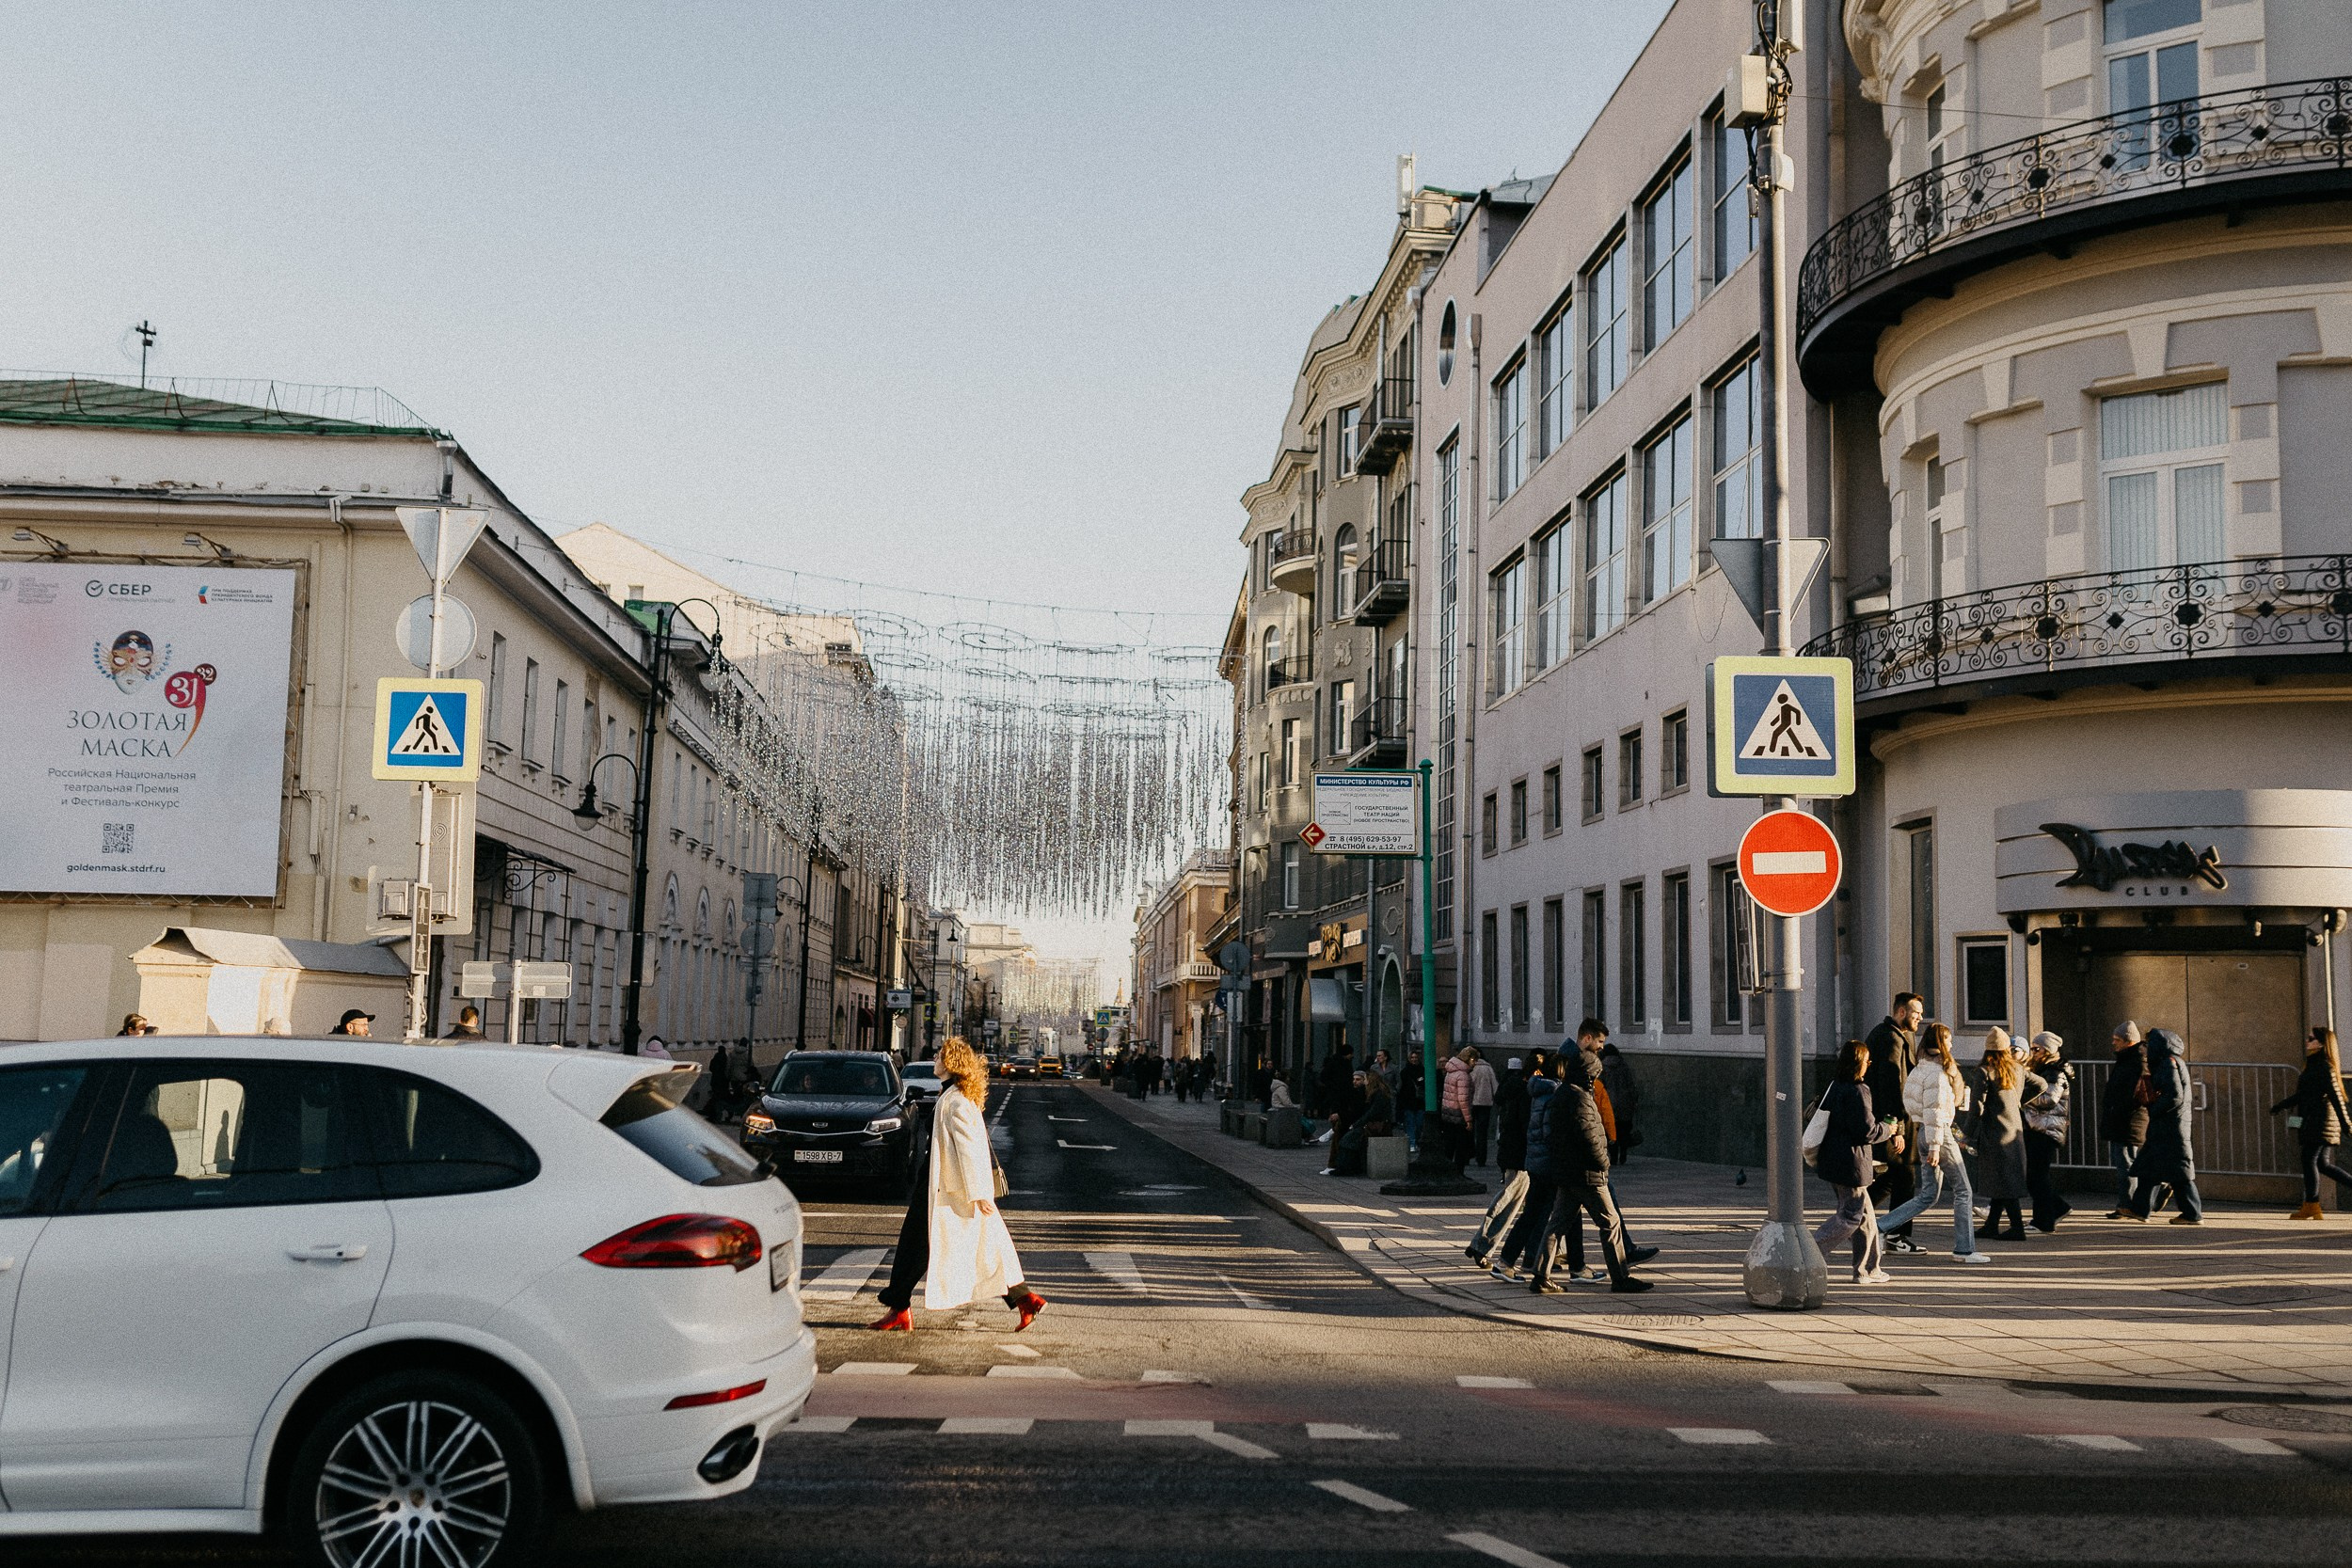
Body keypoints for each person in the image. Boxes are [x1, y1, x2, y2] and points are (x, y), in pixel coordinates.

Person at [867, 1036, 1045, 1333]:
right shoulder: (951, 1096)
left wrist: (980, 1193)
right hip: (937, 1184)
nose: (935, 1059)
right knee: (957, 1247)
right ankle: (1024, 1298)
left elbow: (970, 1149)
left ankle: (898, 1307)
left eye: (940, 1056)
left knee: (924, 1247)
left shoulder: (957, 1101)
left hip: (944, 1188)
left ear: (951, 1063)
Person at [1528, 1047, 1654, 1294]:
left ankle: (1540, 1276)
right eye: (1595, 1075)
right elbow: (1589, 1138)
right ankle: (1620, 1277)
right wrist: (1603, 1162)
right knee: (1611, 1222)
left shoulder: (1563, 1093)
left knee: (1557, 1225)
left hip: (1568, 1172)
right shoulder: (1580, 1098)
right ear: (1588, 1074)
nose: (1596, 1080)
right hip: (1586, 1173)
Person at [1881, 1023, 1984, 1262]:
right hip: (1939, 1134)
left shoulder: (1920, 1068)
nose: (1951, 1043)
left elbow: (1912, 1103)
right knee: (1963, 1191)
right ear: (1940, 1043)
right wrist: (1936, 1146)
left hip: (1924, 1133)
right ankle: (1964, 1250)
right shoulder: (1938, 1074)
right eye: (1948, 1039)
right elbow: (1935, 1111)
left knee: (1928, 1195)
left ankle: (1879, 1226)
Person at [1813, 1037, 1894, 1284]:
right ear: (1858, 1063)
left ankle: (1868, 1269)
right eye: (1867, 1061)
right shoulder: (1859, 1090)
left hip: (1833, 1160)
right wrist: (1888, 1129)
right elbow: (1866, 1132)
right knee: (1851, 1216)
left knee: (1867, 1218)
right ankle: (1810, 1250)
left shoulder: (1835, 1086)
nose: (1869, 1064)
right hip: (1852, 1163)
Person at [1492, 1056, 1563, 1282]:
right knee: (1548, 1214)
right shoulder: (1551, 1095)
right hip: (1545, 1162)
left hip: (1534, 1160)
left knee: (1534, 1213)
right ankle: (1538, 1261)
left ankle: (1510, 1261)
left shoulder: (1535, 1092)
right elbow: (1549, 1133)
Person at [2122, 1028, 2201, 1225]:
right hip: (2168, 1125)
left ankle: (2192, 1213)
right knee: (2150, 1167)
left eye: (2149, 1044)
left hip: (2171, 1126)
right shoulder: (2171, 1062)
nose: (2146, 1048)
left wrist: (2154, 1108)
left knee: (2179, 1171)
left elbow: (2174, 1096)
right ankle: (2140, 1209)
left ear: (2159, 1044)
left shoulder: (2168, 1063)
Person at [1865, 992, 1923, 1252]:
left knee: (1893, 1176)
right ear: (1901, 1012)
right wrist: (1896, 1128)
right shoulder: (1891, 1039)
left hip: (1889, 1120)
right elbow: (1891, 1085)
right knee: (1905, 1178)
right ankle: (1896, 1235)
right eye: (1916, 1013)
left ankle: (1854, 1216)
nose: (1920, 1018)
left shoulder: (1890, 1034)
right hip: (1894, 1122)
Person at [1969, 1028, 2041, 1241]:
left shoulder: (1985, 1072)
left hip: (1994, 1133)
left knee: (2003, 1181)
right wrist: (2018, 1102)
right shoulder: (2017, 1069)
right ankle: (1992, 1225)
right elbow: (2042, 1084)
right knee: (2003, 1179)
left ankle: (2017, 1228)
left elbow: (1976, 1108)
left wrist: (1967, 1134)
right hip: (2014, 1132)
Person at [2275, 1026, 2352, 1219]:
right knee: (2322, 1164)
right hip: (2314, 1119)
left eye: (2311, 1038)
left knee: (2309, 1160)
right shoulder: (2314, 1064)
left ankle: (2311, 1205)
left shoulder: (2324, 1066)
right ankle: (2312, 1206)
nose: (2307, 1041)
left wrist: (2346, 1124)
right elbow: (2304, 1094)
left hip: (2320, 1121)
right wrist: (2282, 1105)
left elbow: (2336, 1096)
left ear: (2321, 1043)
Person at [1467, 1056, 1531, 1269]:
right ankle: (1482, 1243)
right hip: (1521, 1157)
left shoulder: (1509, 1089)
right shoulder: (1524, 1093)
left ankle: (1549, 1254)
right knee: (1511, 1202)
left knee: (1521, 1204)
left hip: (1515, 1154)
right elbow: (1523, 1127)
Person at [2023, 1033, 2074, 1233]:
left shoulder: (2055, 1072)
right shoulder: (2045, 1069)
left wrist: (2022, 1097)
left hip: (2046, 1129)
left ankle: (2043, 1221)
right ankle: (2058, 1208)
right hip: (2039, 1127)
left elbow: (2049, 1099)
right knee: (2035, 1176)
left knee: (2037, 1176)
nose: (2033, 1053)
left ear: (2048, 1050)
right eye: (2032, 1049)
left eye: (2037, 1049)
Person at [2098, 1022, 2150, 1218]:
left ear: (2128, 1041)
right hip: (2123, 1120)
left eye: (2117, 1040)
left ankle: (2128, 1205)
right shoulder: (2129, 1059)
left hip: (2128, 1121)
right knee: (2125, 1163)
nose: (2113, 1043)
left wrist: (2117, 1109)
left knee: (2126, 1164)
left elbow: (2133, 1095)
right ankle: (2126, 1204)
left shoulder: (2136, 1061)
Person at [1596, 1039, 1641, 1165]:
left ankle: (1614, 1156)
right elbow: (1631, 1085)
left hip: (1610, 1103)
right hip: (1625, 1103)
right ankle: (1623, 1152)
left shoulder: (1602, 1068)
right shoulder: (1624, 1066)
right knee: (1624, 1130)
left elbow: (1600, 1086)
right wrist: (1633, 1101)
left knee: (1611, 1130)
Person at [1440, 1047, 1475, 1173]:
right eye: (1474, 1060)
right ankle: (1458, 1172)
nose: (1475, 1063)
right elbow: (1463, 1099)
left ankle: (1447, 1171)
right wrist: (1468, 1119)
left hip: (1448, 1112)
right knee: (1461, 1146)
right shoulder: (1463, 1075)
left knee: (1449, 1145)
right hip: (1459, 1115)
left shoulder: (1451, 1071)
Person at [1469, 1048, 1498, 1167]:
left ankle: (1467, 1155)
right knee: (1482, 1133)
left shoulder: (1470, 1068)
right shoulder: (1488, 1068)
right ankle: (1481, 1158)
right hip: (1485, 1103)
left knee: (1468, 1130)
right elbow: (1495, 1086)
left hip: (1471, 1102)